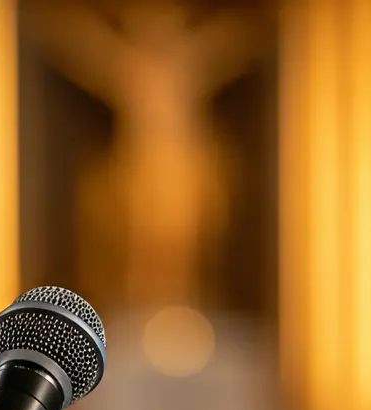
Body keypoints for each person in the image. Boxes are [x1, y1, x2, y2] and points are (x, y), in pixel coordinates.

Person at [27, 0, 267, 310]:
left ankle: (185, 301)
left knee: (182, 232)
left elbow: (230, 44)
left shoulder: (188, 62)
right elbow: (84, 44)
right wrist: (46, 22)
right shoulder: (130, 65)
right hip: (139, 167)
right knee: (137, 230)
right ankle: (136, 301)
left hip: (180, 165)